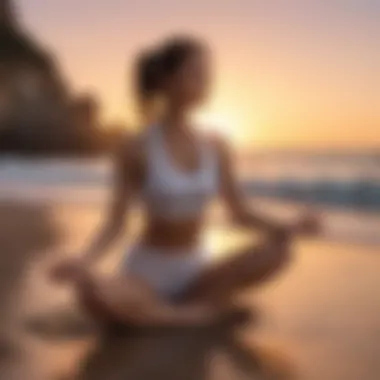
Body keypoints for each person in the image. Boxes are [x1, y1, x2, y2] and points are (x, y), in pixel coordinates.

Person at [52, 36, 318, 327]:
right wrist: (85, 261)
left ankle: (166, 315)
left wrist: (288, 227)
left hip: (197, 272)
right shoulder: (135, 146)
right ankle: (193, 315)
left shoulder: (217, 144)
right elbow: (115, 223)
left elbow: (239, 213)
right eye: (195, 73)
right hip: (146, 275)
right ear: (167, 80)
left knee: (278, 251)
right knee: (91, 295)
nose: (205, 82)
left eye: (208, 74)